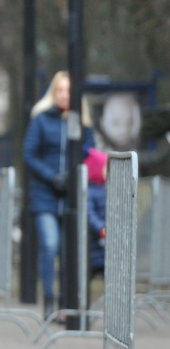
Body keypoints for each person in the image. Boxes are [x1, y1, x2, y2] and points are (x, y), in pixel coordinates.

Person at [22, 71, 94, 321]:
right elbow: (29, 154)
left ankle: (66, 303)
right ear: (53, 92)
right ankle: (49, 300)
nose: (64, 95)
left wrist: (77, 176)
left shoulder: (82, 124)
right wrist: (52, 176)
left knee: (68, 251)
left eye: (68, 90)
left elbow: (90, 155)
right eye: (60, 90)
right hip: (45, 195)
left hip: (72, 197)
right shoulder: (41, 121)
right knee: (50, 244)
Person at [84, 148, 108, 280]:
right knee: (90, 270)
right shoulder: (90, 192)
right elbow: (90, 213)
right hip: (96, 238)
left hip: (106, 239)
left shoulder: (109, 188)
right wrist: (100, 227)